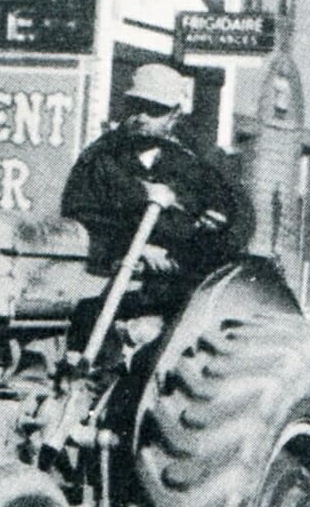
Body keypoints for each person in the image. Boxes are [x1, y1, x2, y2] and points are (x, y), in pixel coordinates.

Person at [61, 62, 254, 331]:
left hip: (183, 294)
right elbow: (78, 218)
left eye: (154, 110)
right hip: (113, 286)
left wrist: (216, 226)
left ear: (174, 115)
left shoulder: (202, 160)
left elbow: (239, 218)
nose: (141, 116)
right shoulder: (99, 159)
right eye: (135, 106)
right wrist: (133, 247)